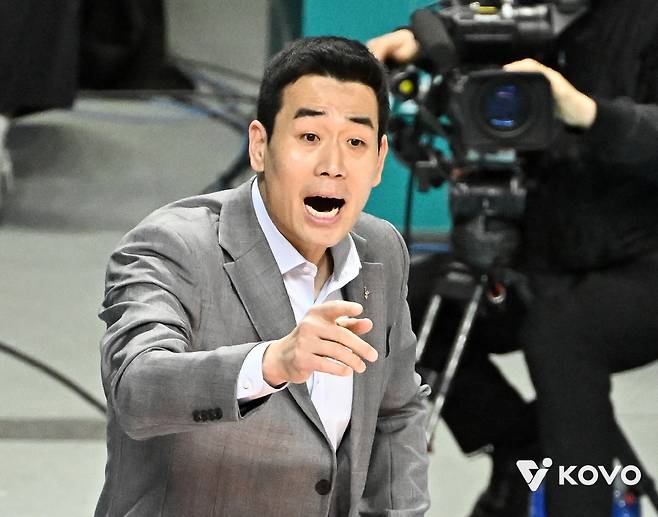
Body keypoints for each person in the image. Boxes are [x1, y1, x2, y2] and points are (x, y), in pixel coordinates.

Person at [95, 36, 430, 517]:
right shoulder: (175, 245)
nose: (333, 166)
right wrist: (272, 363)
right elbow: (136, 389)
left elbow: (397, 412)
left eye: (355, 142)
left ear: (379, 161)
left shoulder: (380, 250)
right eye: (309, 137)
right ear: (260, 145)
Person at [368, 2, 658, 517]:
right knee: (404, 300)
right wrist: (423, 39)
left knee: (562, 334)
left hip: (641, 268)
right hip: (541, 251)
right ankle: (521, 452)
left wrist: (587, 113)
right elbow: (470, 21)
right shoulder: (531, 10)